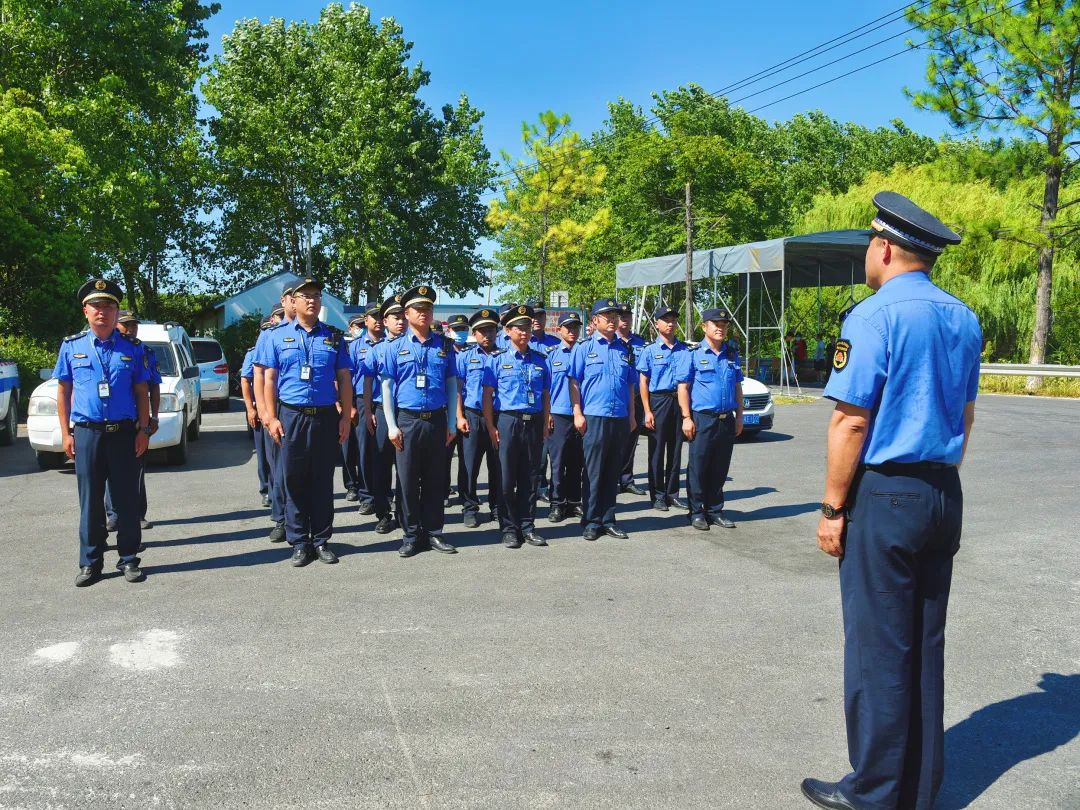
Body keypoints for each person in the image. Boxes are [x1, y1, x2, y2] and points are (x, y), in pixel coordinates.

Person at [802, 192, 980, 810]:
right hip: (941, 490)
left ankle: (875, 790)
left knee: (880, 647)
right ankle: (919, 786)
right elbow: (965, 412)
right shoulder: (962, 316)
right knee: (925, 643)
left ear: (881, 247)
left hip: (887, 493)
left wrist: (831, 508)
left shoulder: (874, 316)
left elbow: (851, 422)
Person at [54, 279, 152, 586]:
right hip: (87, 433)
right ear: (85, 311)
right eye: (96, 306)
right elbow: (63, 391)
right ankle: (91, 563)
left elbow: (142, 391)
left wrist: (145, 429)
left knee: (126, 500)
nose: (103, 312)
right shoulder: (72, 347)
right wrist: (66, 433)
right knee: (91, 501)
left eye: (109, 306)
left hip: (124, 433)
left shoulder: (132, 349)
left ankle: (129, 559)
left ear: (117, 311)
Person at [257, 278, 352, 567]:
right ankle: (299, 541)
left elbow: (345, 379)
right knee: (293, 479)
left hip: (324, 416)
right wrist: (269, 417)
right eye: (305, 296)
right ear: (292, 302)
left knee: (322, 480)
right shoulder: (274, 336)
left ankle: (322, 540)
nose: (311, 300)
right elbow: (267, 380)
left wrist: (345, 416)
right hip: (291, 416)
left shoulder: (333, 338)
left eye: (316, 296)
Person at [379, 285, 459, 558]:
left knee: (436, 479)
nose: (424, 313)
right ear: (407, 313)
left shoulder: (444, 345)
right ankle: (411, 534)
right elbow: (387, 388)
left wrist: (451, 423)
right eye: (418, 309)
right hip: (407, 421)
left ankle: (434, 532)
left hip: (436, 420)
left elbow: (451, 385)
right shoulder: (394, 347)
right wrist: (391, 425)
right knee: (408, 480)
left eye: (428, 308)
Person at [568, 299, 637, 542]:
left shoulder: (625, 349)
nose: (612, 319)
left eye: (615, 315)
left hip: (619, 417)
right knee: (594, 471)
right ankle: (591, 520)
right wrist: (577, 412)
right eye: (606, 315)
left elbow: (630, 385)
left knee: (612, 471)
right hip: (594, 416)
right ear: (595, 320)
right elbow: (574, 382)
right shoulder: (584, 348)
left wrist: (631, 415)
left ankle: (608, 519)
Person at [483, 304, 551, 548]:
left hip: (533, 421)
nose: (524, 333)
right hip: (508, 421)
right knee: (506, 477)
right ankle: (509, 528)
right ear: (508, 331)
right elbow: (488, 395)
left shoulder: (542, 361)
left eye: (527, 328)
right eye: (519, 328)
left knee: (530, 476)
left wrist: (546, 421)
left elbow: (545, 394)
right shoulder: (497, 360)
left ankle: (527, 525)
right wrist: (490, 426)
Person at [677, 308, 743, 531]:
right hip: (703, 419)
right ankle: (696, 512)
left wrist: (740, 417)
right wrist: (686, 418)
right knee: (698, 467)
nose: (720, 327)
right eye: (715, 324)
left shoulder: (732, 354)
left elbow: (737, 387)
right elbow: (683, 388)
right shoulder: (693, 354)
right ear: (704, 327)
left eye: (723, 324)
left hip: (726, 420)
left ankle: (715, 510)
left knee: (719, 467)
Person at [105, 310, 160, 532]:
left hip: (137, 420)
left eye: (134, 325)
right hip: (113, 418)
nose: (131, 329)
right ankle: (113, 514)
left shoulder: (143, 351)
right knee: (108, 470)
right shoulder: (108, 349)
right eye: (126, 325)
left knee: (135, 469)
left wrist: (153, 417)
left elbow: (153, 386)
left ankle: (138, 513)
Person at [455, 307, 505, 530]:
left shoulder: (505, 356)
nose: (487, 335)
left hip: (498, 417)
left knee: (498, 465)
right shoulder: (465, 357)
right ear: (474, 333)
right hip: (472, 417)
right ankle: (469, 507)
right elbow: (457, 389)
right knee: (469, 465)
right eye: (482, 331)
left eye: (491, 330)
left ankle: (497, 506)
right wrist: (458, 416)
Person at [638, 305, 688, 512]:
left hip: (679, 400)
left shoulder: (685, 349)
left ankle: (673, 493)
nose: (670, 323)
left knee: (676, 450)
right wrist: (647, 410)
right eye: (665, 320)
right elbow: (643, 382)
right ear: (656, 324)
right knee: (657, 451)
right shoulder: (649, 350)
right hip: (658, 401)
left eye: (673, 320)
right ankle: (657, 495)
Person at [363, 294, 406, 534]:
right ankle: (383, 513)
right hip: (381, 411)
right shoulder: (377, 350)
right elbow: (368, 383)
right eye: (395, 317)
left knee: (407, 467)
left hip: (408, 411)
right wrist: (368, 412)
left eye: (403, 317)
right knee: (380, 464)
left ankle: (404, 512)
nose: (400, 321)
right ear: (385, 321)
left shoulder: (414, 344)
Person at [255, 284, 295, 542]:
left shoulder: (320, 334)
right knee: (280, 469)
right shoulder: (270, 335)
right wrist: (265, 414)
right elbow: (257, 375)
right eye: (291, 298)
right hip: (279, 407)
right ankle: (281, 519)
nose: (293, 303)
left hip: (303, 409)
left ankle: (303, 521)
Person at [544, 311, 584, 523]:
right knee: (558, 463)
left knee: (577, 461)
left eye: (576, 327)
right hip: (558, 414)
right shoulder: (551, 354)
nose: (572, 331)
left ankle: (574, 502)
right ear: (559, 330)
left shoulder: (585, 351)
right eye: (568, 327)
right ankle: (557, 504)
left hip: (581, 415)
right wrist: (548, 413)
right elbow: (546, 389)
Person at [349, 303, 382, 515]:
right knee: (365, 449)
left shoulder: (393, 343)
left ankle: (386, 493)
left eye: (381, 317)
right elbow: (346, 378)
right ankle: (367, 495)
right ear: (366, 320)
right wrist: (350, 406)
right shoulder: (354, 346)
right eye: (373, 317)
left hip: (387, 401)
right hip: (362, 401)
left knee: (386, 451)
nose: (378, 320)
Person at [241, 320, 274, 507]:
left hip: (279, 407)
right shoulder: (253, 353)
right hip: (261, 408)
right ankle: (266, 489)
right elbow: (246, 380)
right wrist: (251, 409)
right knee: (263, 452)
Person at [616, 303, 647, 497]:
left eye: (628, 316)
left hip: (635, 396)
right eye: (621, 316)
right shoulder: (611, 341)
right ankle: (612, 479)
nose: (625, 319)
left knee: (631, 440)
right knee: (613, 441)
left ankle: (627, 478)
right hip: (617, 397)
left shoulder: (640, 342)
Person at [444, 313, 471, 505]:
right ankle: (442, 490)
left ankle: (467, 498)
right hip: (446, 411)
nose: (461, 332)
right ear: (449, 330)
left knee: (466, 459)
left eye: (464, 329)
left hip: (467, 412)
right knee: (443, 457)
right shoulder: (444, 350)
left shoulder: (472, 352)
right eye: (457, 329)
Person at [339, 314, 365, 502]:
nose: (361, 328)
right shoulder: (347, 347)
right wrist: (347, 407)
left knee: (364, 449)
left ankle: (365, 485)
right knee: (347, 449)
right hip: (350, 402)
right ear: (350, 327)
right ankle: (351, 485)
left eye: (363, 325)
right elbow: (340, 380)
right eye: (358, 325)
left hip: (367, 402)